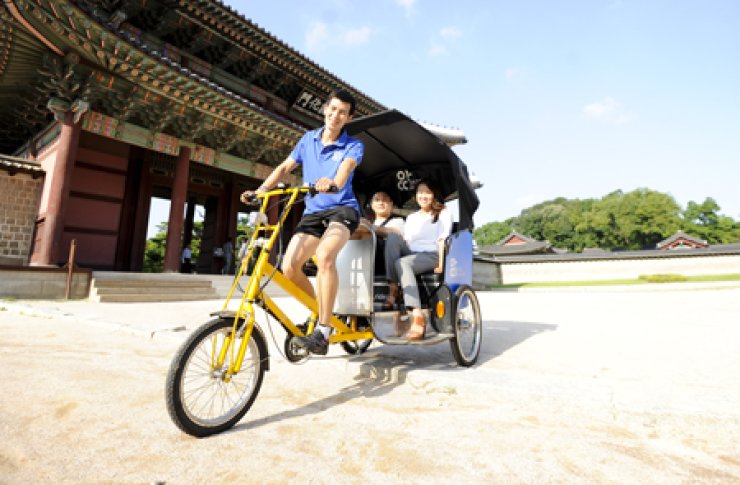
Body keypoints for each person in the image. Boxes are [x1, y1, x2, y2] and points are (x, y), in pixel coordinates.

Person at [239, 89, 363, 355]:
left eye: (343, 112)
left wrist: (333, 184)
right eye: (333, 109)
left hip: (342, 209)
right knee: (289, 266)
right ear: (325, 109)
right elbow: (285, 167)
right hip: (314, 213)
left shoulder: (353, 146)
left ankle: (324, 330)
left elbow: (346, 170)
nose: (336, 115)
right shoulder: (308, 140)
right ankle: (321, 310)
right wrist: (261, 191)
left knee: (325, 255)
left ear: (349, 117)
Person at [383, 180, 454, 340]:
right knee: (393, 237)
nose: (423, 196)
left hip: (431, 255)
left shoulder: (443, 212)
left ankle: (417, 316)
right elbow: (407, 241)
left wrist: (441, 264)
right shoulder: (412, 217)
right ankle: (393, 286)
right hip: (413, 254)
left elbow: (443, 239)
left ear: (434, 195)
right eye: (420, 192)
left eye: (427, 192)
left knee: (401, 263)